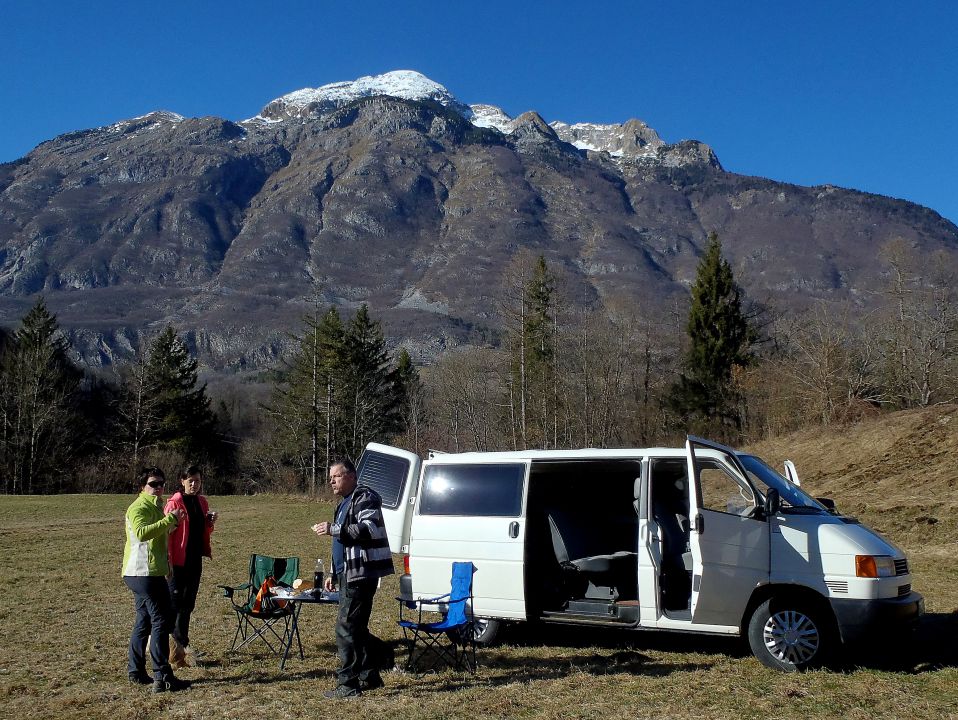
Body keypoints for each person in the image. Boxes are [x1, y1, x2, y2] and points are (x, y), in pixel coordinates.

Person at [312, 458, 394, 698]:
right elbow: (340, 543)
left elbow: (369, 528)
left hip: (361, 573)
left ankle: (347, 685)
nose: (331, 482)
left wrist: (333, 528)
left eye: (335, 477)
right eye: (330, 478)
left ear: (350, 476)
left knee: (346, 627)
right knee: (355, 628)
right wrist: (332, 573)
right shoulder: (343, 503)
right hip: (346, 573)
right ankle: (370, 675)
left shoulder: (365, 497)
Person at [122, 467, 190, 693]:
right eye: (153, 484)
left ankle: (136, 672)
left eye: (161, 483)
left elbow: (160, 534)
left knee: (144, 621)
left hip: (148, 572)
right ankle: (163, 676)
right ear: (142, 486)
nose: (159, 487)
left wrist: (174, 522)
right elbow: (142, 533)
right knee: (162, 620)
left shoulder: (156, 507)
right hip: (143, 573)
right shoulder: (139, 507)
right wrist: (170, 518)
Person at [164, 465, 217, 668]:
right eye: (191, 481)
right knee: (174, 605)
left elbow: (203, 531)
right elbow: (166, 533)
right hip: (177, 562)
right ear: (182, 481)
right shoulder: (175, 503)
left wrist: (210, 523)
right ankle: (169, 649)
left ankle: (182, 645)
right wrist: (167, 561)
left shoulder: (202, 502)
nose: (194, 485)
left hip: (195, 560)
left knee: (188, 604)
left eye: (198, 481)